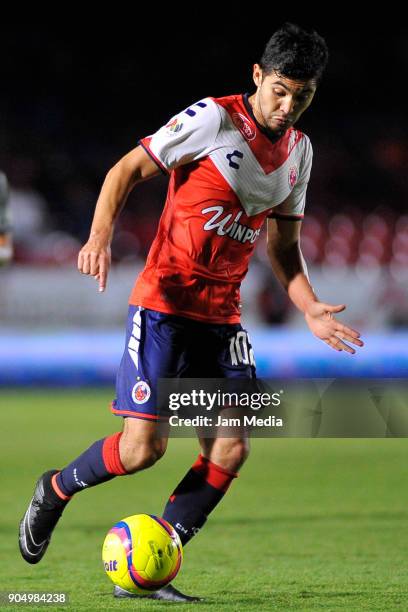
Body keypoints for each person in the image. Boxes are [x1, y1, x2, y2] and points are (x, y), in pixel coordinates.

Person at [19, 23, 364, 602]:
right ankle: (54, 490)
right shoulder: (213, 119)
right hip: (164, 305)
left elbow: (284, 247)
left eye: (302, 95)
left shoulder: (300, 153)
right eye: (280, 89)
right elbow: (124, 170)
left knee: (232, 447)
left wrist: (308, 307)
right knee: (141, 451)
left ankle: (157, 562)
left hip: (223, 317)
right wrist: (99, 238)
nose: (288, 105)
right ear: (258, 76)